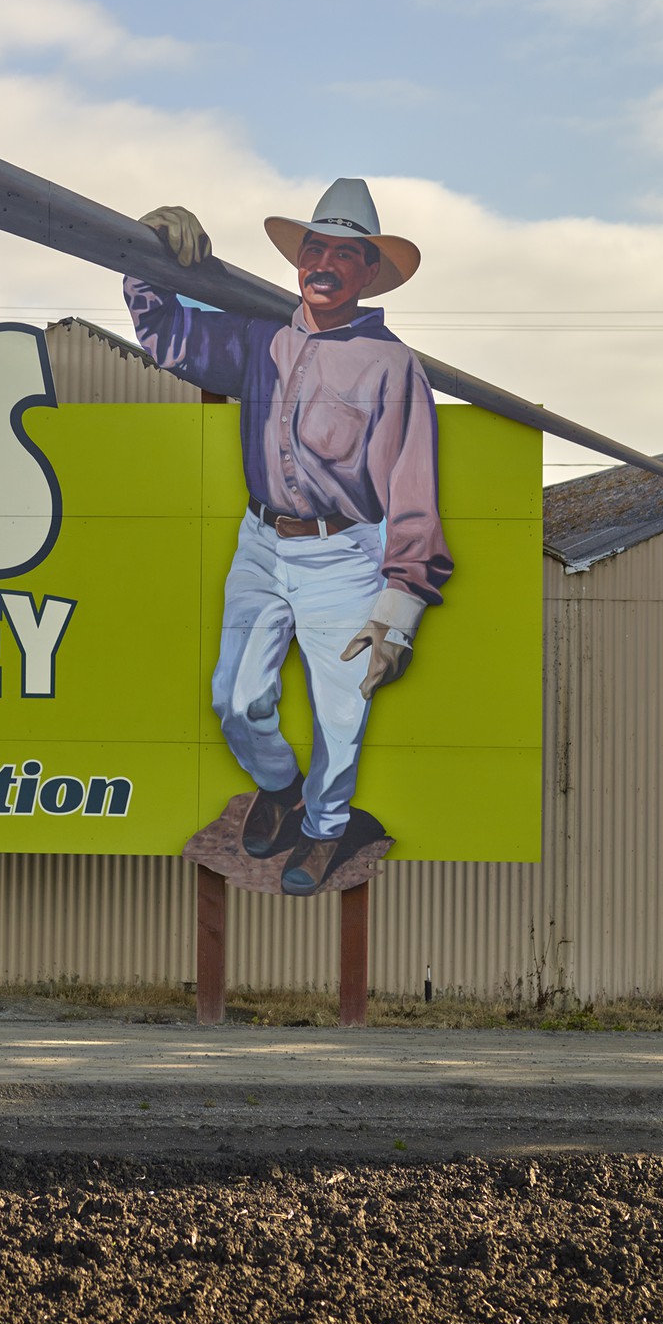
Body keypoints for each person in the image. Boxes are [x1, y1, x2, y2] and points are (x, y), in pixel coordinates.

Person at [126, 179, 453, 896]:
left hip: (344, 553)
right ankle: (282, 788)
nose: (325, 265)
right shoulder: (260, 338)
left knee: (343, 709)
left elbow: (412, 491)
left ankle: (326, 829)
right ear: (298, 259)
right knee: (234, 699)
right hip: (261, 542)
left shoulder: (394, 367)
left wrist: (399, 607)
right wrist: (147, 254)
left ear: (370, 272)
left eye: (344, 253)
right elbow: (169, 337)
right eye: (314, 249)